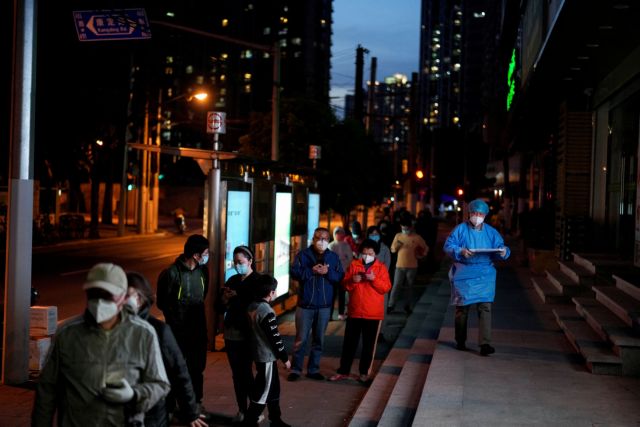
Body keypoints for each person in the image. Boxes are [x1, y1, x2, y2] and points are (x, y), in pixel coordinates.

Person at [33, 263, 170, 426]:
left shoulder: (143, 334)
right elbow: (47, 390)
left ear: (122, 296)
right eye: (93, 294)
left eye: (107, 295)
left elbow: (160, 384)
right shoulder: (67, 334)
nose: (99, 301)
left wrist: (134, 395)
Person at [126, 272, 208, 427]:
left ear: (141, 298)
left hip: (151, 412)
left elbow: (179, 371)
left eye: (128, 295)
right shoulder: (112, 328)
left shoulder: (158, 330)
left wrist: (189, 411)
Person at [443, 198, 510, 356]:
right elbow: (448, 246)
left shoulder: (491, 232)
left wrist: (503, 252)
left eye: (480, 213)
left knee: (485, 308)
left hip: (484, 274)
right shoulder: (460, 230)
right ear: (469, 213)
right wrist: (460, 251)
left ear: (485, 215)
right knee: (462, 309)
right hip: (464, 273)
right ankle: (460, 340)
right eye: (474, 213)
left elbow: (502, 249)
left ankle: (485, 344)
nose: (477, 216)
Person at [157, 234, 210, 409]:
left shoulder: (204, 271)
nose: (207, 256)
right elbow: (162, 302)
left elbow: (204, 294)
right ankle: (171, 406)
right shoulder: (171, 273)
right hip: (177, 331)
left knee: (197, 369)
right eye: (205, 252)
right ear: (196, 255)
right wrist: (176, 319)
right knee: (175, 368)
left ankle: (196, 403)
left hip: (198, 329)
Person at [329, 239, 391, 385]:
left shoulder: (380, 268)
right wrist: (352, 280)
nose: (367, 256)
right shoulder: (354, 265)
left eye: (370, 253)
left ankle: (364, 373)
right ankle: (343, 371)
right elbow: (345, 285)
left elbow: (386, 288)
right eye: (364, 253)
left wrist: (374, 280)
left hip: (373, 313)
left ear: (375, 253)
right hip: (355, 311)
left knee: (369, 345)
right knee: (349, 343)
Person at [288, 227, 344, 381]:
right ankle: (295, 369)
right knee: (301, 339)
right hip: (305, 305)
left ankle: (313, 369)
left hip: (325, 306)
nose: (322, 241)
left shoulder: (333, 257)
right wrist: (311, 271)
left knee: (319, 339)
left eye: (325, 238)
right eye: (318, 238)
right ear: (313, 239)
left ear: (329, 240)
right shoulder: (303, 255)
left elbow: (339, 276)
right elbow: (294, 273)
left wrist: (328, 272)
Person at [217, 245, 262, 423]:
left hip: (249, 335)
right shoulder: (232, 280)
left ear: (250, 261)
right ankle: (242, 409)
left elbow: (258, 306)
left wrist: (239, 296)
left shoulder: (259, 281)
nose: (237, 265)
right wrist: (225, 299)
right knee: (237, 374)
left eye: (241, 262)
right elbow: (219, 308)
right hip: (231, 334)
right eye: (235, 262)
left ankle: (255, 409)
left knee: (246, 372)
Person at [244, 275, 292, 427]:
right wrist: (285, 358)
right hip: (266, 357)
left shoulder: (252, 306)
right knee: (263, 391)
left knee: (274, 388)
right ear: (271, 293)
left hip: (258, 353)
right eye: (275, 291)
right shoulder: (266, 311)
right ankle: (250, 421)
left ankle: (275, 419)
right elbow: (275, 338)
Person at [388, 218, 429, 314]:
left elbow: (425, 247)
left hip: (412, 266)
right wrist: (397, 246)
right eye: (403, 228)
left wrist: (422, 255)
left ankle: (407, 306)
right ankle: (391, 305)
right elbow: (393, 249)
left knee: (409, 287)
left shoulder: (417, 237)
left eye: (406, 228)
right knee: (396, 285)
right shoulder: (398, 236)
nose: (405, 230)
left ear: (411, 227)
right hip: (399, 266)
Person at [328, 226, 353, 320]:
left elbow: (349, 258)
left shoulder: (346, 245)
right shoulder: (331, 245)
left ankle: (341, 313)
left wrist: (343, 263)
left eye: (341, 233)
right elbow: (329, 259)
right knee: (332, 294)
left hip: (343, 273)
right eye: (337, 233)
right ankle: (329, 315)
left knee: (342, 293)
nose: (339, 235)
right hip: (332, 274)